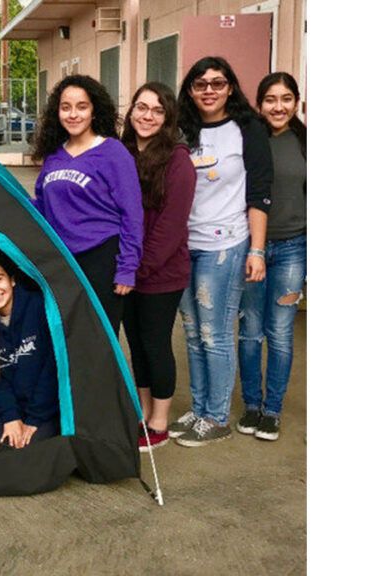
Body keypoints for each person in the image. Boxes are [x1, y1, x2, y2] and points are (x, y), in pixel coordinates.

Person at [171, 56, 273, 448]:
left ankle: (216, 417)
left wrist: (258, 251)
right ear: (190, 90)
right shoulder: (183, 129)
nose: (209, 90)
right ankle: (199, 410)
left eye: (217, 82)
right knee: (194, 333)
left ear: (230, 86)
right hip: (185, 246)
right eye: (200, 84)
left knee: (215, 333)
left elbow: (260, 193)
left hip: (226, 245)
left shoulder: (248, 128)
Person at [31, 74, 143, 335]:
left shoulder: (112, 152)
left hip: (102, 258)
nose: (73, 114)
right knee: (69, 337)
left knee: (100, 340)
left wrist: (127, 268)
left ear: (94, 111)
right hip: (63, 261)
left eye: (82, 107)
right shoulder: (54, 156)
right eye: (65, 107)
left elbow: (132, 214)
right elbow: (43, 208)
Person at [118, 82, 196, 451]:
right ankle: (144, 412)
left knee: (155, 344)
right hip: (126, 273)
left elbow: (169, 228)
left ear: (167, 118)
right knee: (135, 343)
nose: (147, 116)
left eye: (157, 110)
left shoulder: (178, 161)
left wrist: (137, 270)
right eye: (141, 107)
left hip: (159, 273)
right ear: (131, 111)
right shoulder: (121, 153)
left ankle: (160, 419)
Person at [235, 72, 307, 442]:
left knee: (279, 333)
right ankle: (251, 404)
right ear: (259, 103)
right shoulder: (249, 138)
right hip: (253, 248)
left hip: (294, 248)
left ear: (296, 102)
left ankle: (272, 410)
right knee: (250, 331)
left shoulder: (306, 142)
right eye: (270, 99)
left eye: (286, 99)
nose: (278, 106)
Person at [0, 257, 59, 449]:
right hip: (11, 407)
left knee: (30, 455)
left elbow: (52, 370)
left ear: (12, 280)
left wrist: (34, 419)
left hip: (44, 408)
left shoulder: (39, 308)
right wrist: (11, 417)